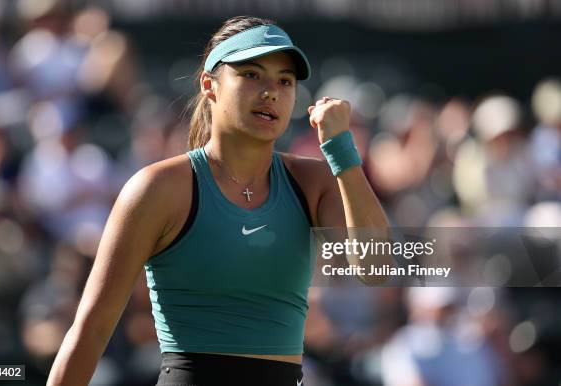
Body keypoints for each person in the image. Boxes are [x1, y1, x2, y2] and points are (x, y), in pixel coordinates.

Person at [46, 15, 388, 386]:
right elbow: (91, 329)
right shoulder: (156, 188)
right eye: (251, 75)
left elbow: (376, 267)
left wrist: (342, 152)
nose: (271, 92)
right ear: (210, 85)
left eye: (284, 81)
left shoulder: (314, 180)